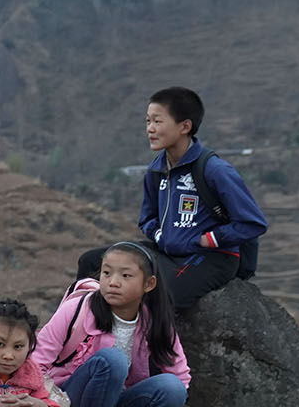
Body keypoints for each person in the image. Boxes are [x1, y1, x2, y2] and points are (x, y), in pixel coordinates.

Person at [79, 87, 268, 313]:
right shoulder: (156, 170)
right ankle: (87, 334)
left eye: (158, 122)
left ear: (185, 127)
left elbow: (253, 223)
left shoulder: (215, 170)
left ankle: (147, 346)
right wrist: (159, 234)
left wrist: (210, 239)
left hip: (210, 257)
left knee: (164, 298)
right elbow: (147, 219)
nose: (150, 129)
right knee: (91, 261)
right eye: (148, 121)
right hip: (166, 252)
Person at [35, 241, 190, 407]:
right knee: (112, 361)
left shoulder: (155, 322)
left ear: (148, 284)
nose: (113, 282)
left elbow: (181, 374)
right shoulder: (78, 309)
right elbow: (35, 363)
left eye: (125, 275)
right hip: (74, 405)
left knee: (172, 388)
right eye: (107, 273)